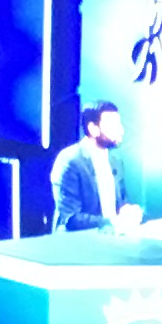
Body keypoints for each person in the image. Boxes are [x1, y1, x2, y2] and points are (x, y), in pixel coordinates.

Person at [50, 100, 135, 234]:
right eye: (112, 125)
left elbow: (121, 202)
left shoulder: (115, 160)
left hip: (111, 236)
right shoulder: (70, 160)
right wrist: (111, 221)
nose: (121, 130)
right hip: (79, 241)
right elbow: (70, 217)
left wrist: (127, 212)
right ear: (93, 129)